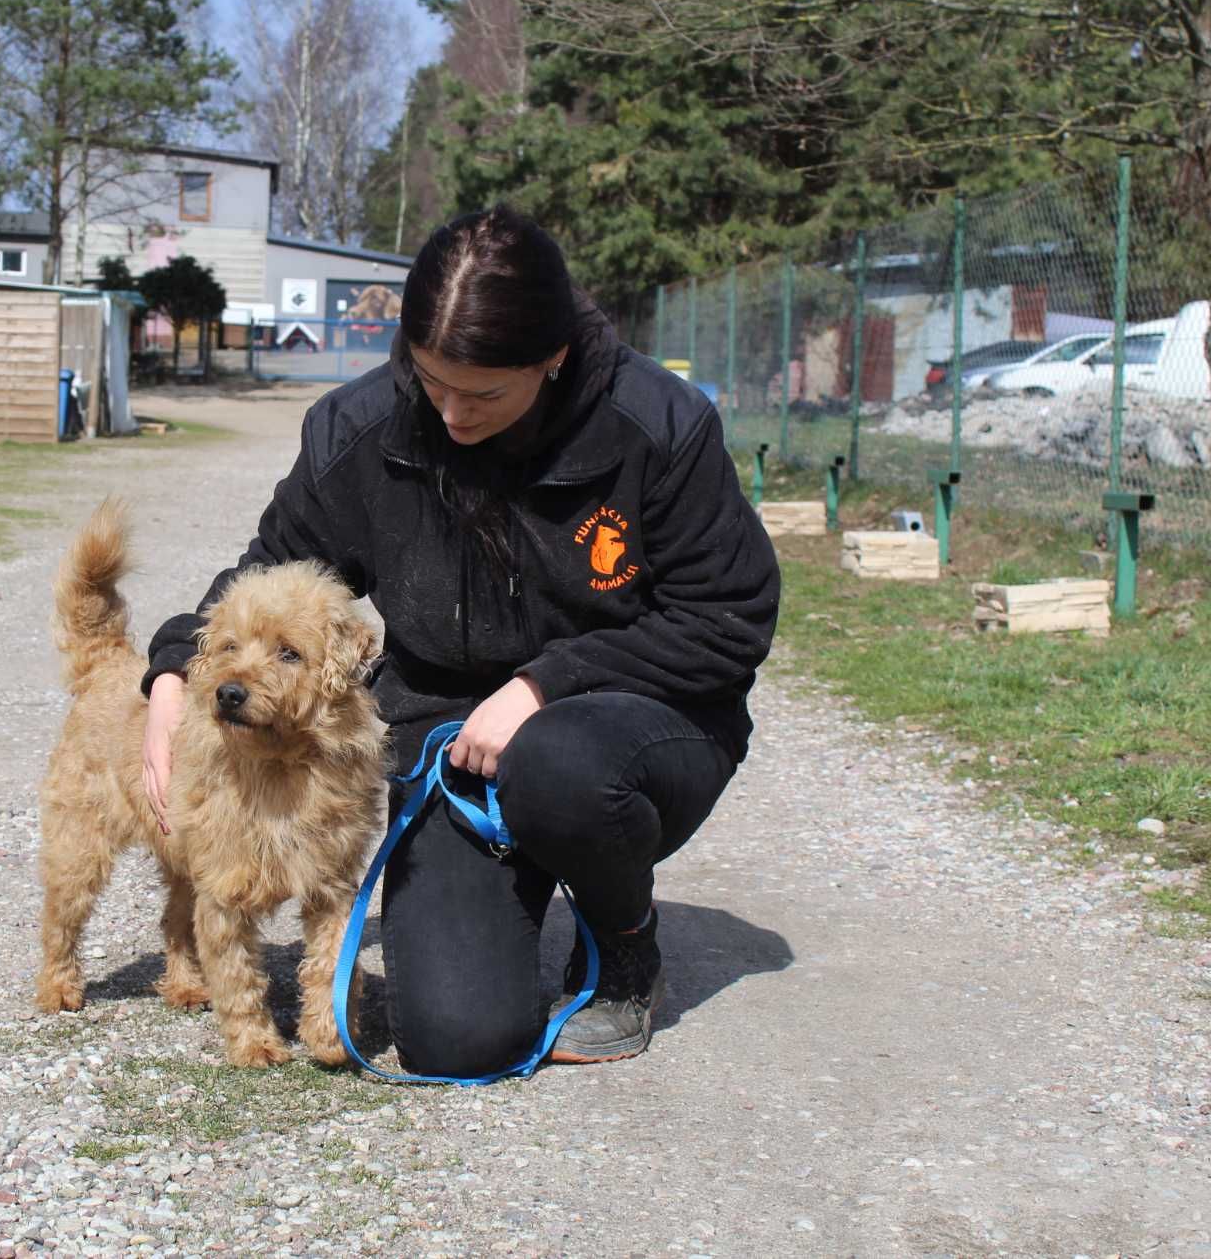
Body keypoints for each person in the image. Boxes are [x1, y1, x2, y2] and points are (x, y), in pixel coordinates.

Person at [139, 206, 780, 1076]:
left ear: (553, 358)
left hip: (630, 722)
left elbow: (727, 619)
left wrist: (544, 684)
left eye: (482, 392)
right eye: (431, 379)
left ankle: (623, 943)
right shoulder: (359, 430)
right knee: (458, 1036)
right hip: (453, 738)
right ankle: (511, 882)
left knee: (559, 764)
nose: (450, 412)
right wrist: (173, 668)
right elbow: (265, 574)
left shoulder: (657, 427)